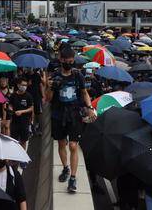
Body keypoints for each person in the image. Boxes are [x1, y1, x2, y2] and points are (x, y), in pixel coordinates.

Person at [45, 46, 96, 193]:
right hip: (58, 115)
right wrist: (50, 87)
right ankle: (65, 168)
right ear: (60, 60)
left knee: (73, 146)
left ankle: (73, 178)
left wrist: (89, 107)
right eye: (66, 61)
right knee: (62, 143)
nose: (68, 63)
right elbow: (48, 99)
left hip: (74, 115)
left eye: (71, 61)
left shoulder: (77, 75)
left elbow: (84, 92)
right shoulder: (55, 76)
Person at [9, 78, 33, 150]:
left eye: (25, 85)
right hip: (15, 122)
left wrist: (22, 112)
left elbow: (31, 108)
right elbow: (10, 105)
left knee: (23, 140)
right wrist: (11, 109)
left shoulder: (28, 96)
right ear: (18, 85)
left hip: (25, 122)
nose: (24, 86)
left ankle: (23, 158)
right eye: (23, 85)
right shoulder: (13, 95)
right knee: (14, 140)